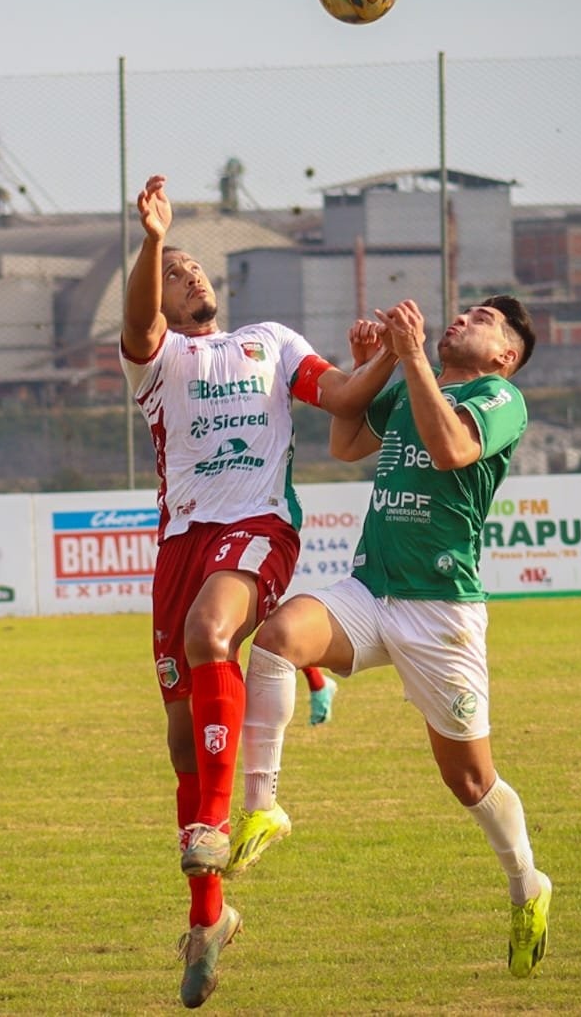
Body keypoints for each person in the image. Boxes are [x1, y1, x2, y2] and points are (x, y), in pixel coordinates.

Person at [121, 173, 395, 1008]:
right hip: (181, 545)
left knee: (213, 635)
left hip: (260, 529)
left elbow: (345, 395)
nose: (189, 274)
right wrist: (151, 241)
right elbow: (136, 322)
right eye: (176, 270)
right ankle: (210, 917)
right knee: (179, 739)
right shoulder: (158, 357)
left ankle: (215, 830)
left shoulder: (271, 341)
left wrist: (389, 350)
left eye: (195, 266)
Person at [231, 294, 554, 979]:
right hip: (370, 591)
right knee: (278, 636)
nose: (462, 317)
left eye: (482, 320)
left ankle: (527, 882)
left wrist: (407, 359)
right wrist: (370, 363)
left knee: (467, 779)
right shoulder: (415, 385)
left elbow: (451, 449)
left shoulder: (500, 399)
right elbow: (346, 442)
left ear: (505, 356)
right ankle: (262, 806)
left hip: (441, 613)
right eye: (463, 310)